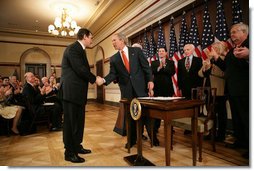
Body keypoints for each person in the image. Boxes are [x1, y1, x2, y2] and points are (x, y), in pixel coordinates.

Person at [97, 33, 154, 148]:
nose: (113, 43)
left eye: (114, 40)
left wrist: (150, 80)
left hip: (140, 88)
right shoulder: (114, 58)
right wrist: (103, 80)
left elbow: (145, 67)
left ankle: (153, 137)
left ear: (122, 40)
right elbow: (113, 74)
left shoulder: (136, 51)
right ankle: (131, 140)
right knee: (130, 116)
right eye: (112, 41)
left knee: (146, 115)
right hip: (127, 90)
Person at [60, 28, 101, 163]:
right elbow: (80, 69)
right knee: (71, 123)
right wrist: (95, 79)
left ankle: (77, 146)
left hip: (77, 93)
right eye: (91, 37)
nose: (91, 40)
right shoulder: (73, 48)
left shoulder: (80, 49)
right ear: (84, 36)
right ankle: (69, 152)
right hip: (71, 93)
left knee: (78, 122)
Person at [213, 23, 249, 159]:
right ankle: (241, 141)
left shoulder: (249, 44)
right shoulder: (235, 48)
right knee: (238, 118)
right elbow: (226, 67)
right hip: (233, 90)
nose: (231, 35)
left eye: (234, 32)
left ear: (244, 32)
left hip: (245, 89)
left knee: (247, 119)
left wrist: (249, 55)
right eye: (231, 32)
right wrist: (216, 59)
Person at [198, 41, 229, 141]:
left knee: (221, 114)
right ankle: (211, 133)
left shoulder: (224, 60)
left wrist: (211, 68)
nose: (210, 50)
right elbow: (200, 74)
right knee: (210, 113)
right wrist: (205, 68)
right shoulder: (208, 60)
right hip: (208, 90)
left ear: (218, 49)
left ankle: (221, 135)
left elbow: (224, 74)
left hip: (219, 91)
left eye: (213, 49)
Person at [151, 46, 175, 145]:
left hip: (168, 89)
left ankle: (170, 127)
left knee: (169, 109)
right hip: (157, 89)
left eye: (162, 51)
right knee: (157, 110)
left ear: (166, 53)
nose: (160, 52)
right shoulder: (154, 63)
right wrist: (158, 68)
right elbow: (152, 72)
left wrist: (164, 68)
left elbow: (172, 72)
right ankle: (156, 127)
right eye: (159, 51)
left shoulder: (171, 62)